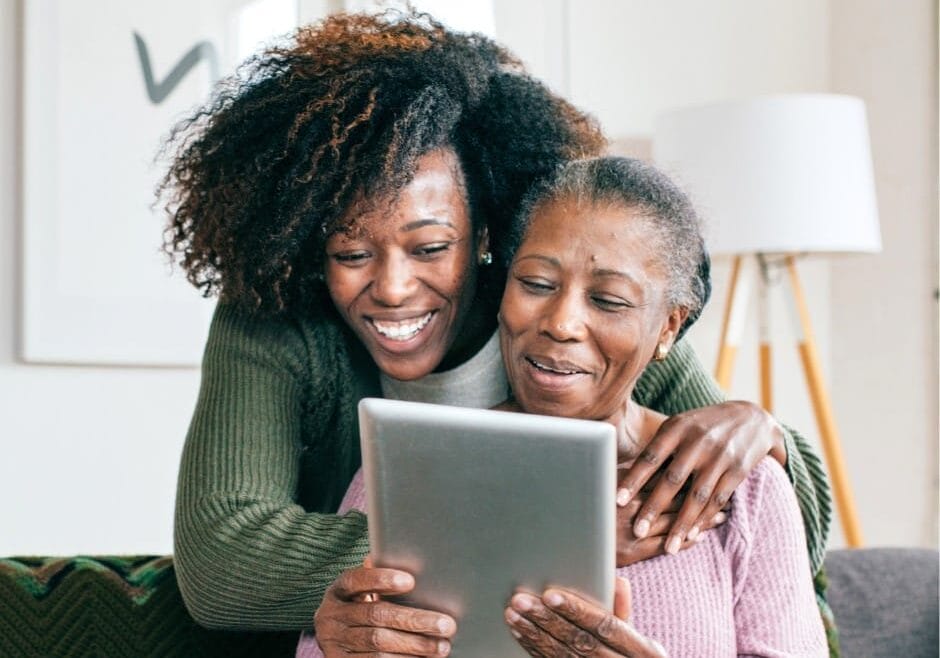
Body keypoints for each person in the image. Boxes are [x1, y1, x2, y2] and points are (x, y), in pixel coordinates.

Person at [160, 9, 831, 636]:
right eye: (351, 253)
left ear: (487, 235)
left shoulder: (568, 316)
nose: (393, 288)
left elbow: (776, 522)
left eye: (430, 248)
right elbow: (223, 564)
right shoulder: (278, 314)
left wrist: (763, 432)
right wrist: (554, 533)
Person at [303, 157, 828, 657]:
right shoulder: (407, 463)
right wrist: (334, 642)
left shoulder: (748, 489)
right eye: (535, 284)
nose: (561, 322)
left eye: (608, 301)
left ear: (668, 326)